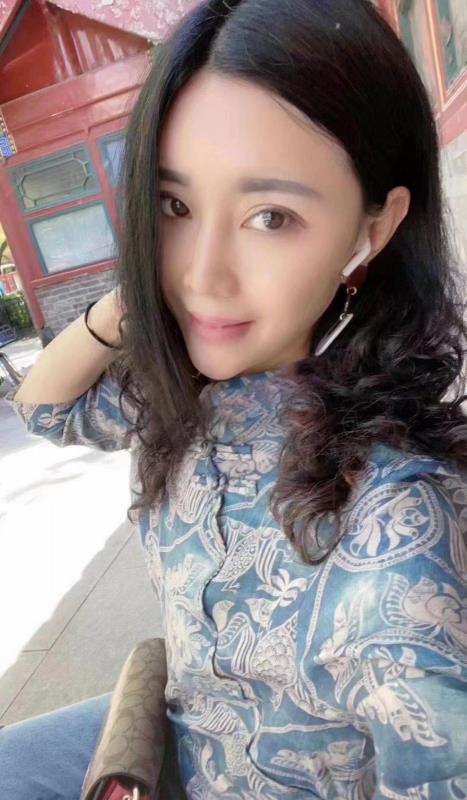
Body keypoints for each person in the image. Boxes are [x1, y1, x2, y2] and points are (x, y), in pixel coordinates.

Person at [2, 0, 467, 797]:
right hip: (180, 733)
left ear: (372, 227)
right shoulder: (190, 394)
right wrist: (132, 300)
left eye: (270, 216)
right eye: (175, 206)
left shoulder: (394, 535)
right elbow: (44, 408)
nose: (201, 274)